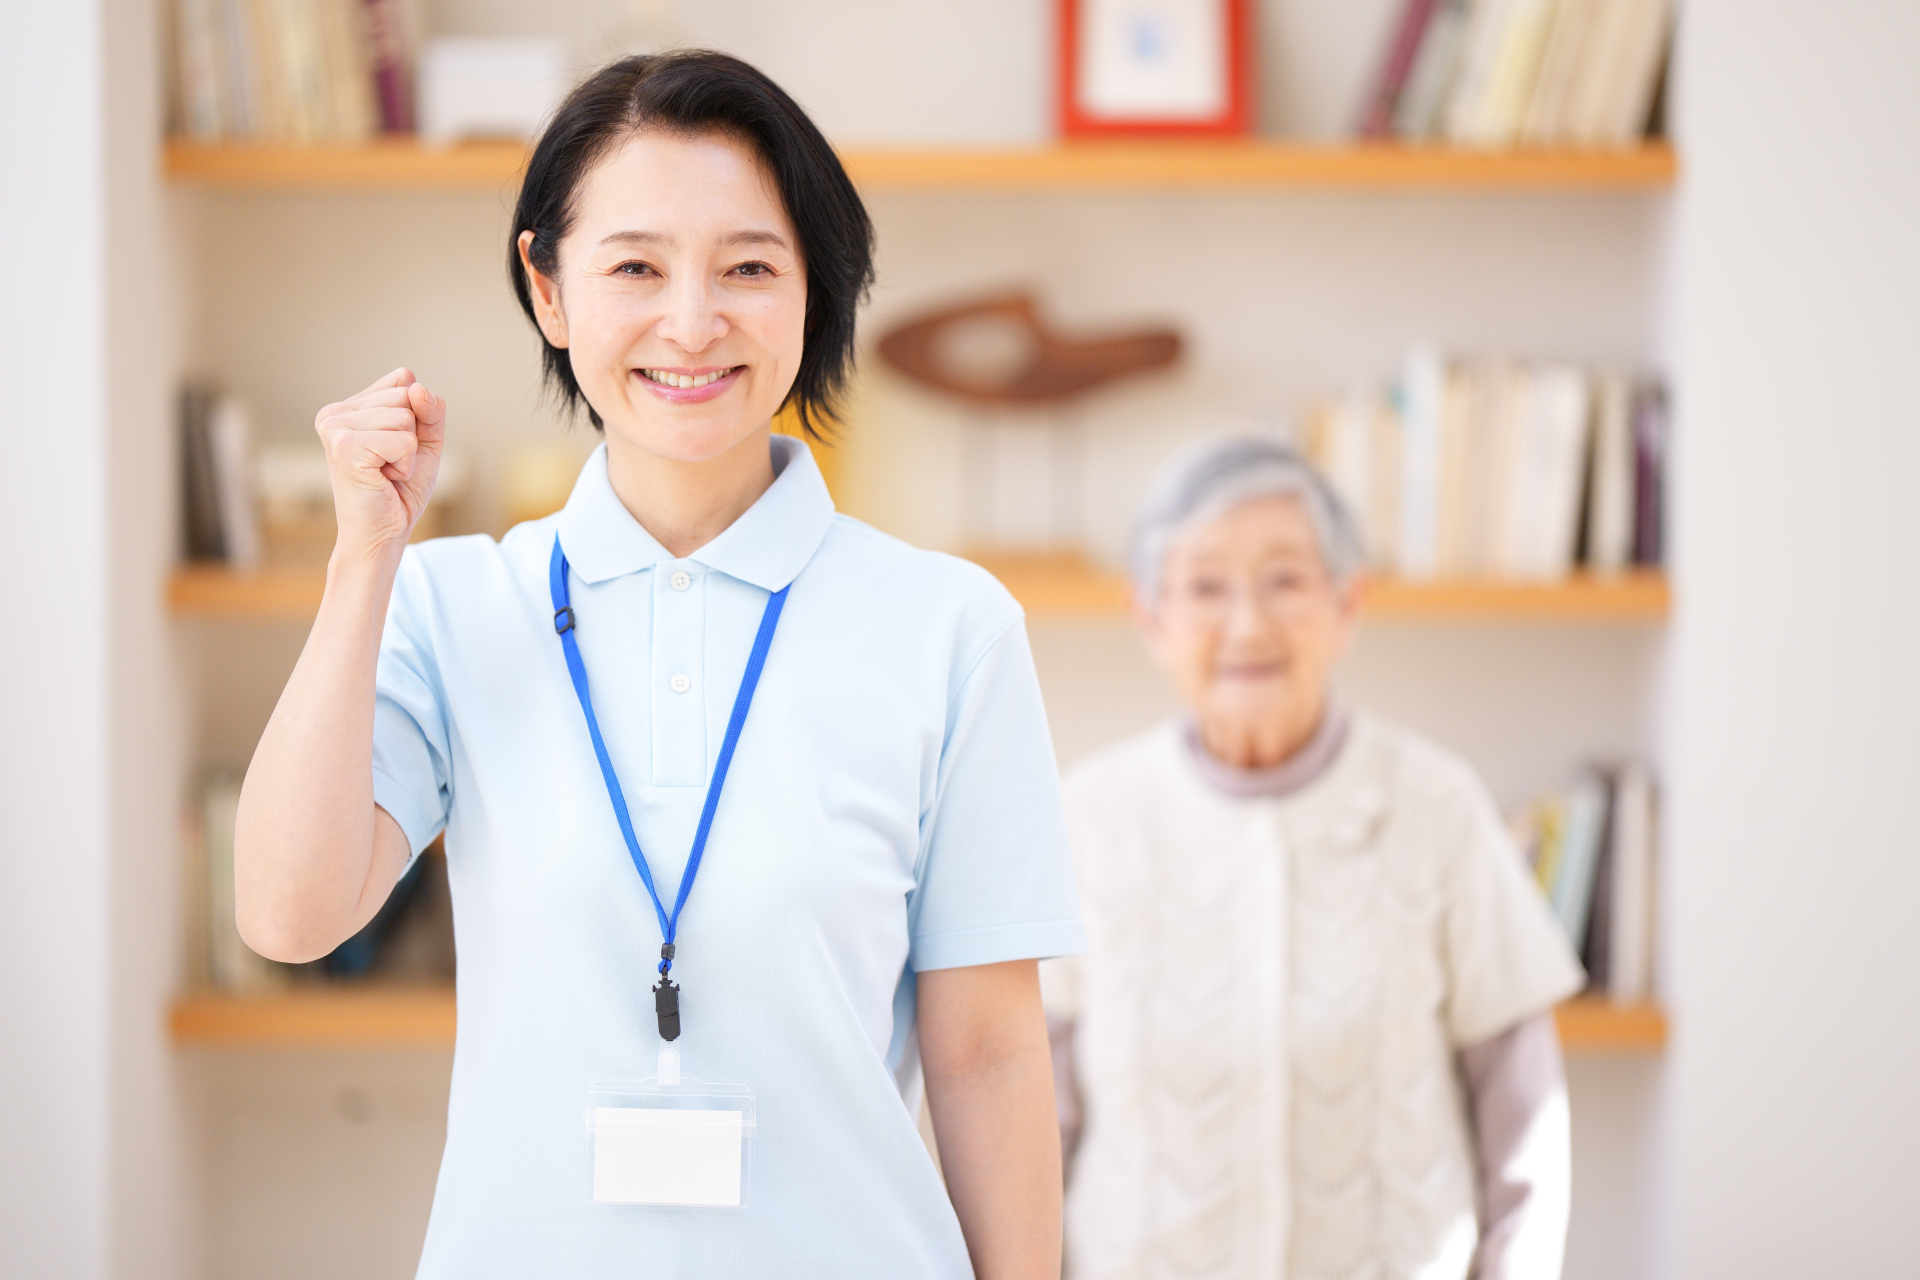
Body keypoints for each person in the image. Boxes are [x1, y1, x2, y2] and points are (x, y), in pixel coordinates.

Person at [234, 52, 1082, 1279]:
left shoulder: (949, 625)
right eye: (635, 265)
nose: (692, 321)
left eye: (748, 266)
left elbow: (989, 1048)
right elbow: (287, 912)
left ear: (815, 291)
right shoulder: (450, 601)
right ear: (550, 288)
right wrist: (364, 556)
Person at [1042, 438, 1585, 1280]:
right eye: (1206, 587)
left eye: (1286, 580)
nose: (1248, 624)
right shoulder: (1086, 818)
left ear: (1347, 604)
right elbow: (1033, 1127)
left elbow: (1525, 1121)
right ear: (1152, 619)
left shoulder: (1438, 807)